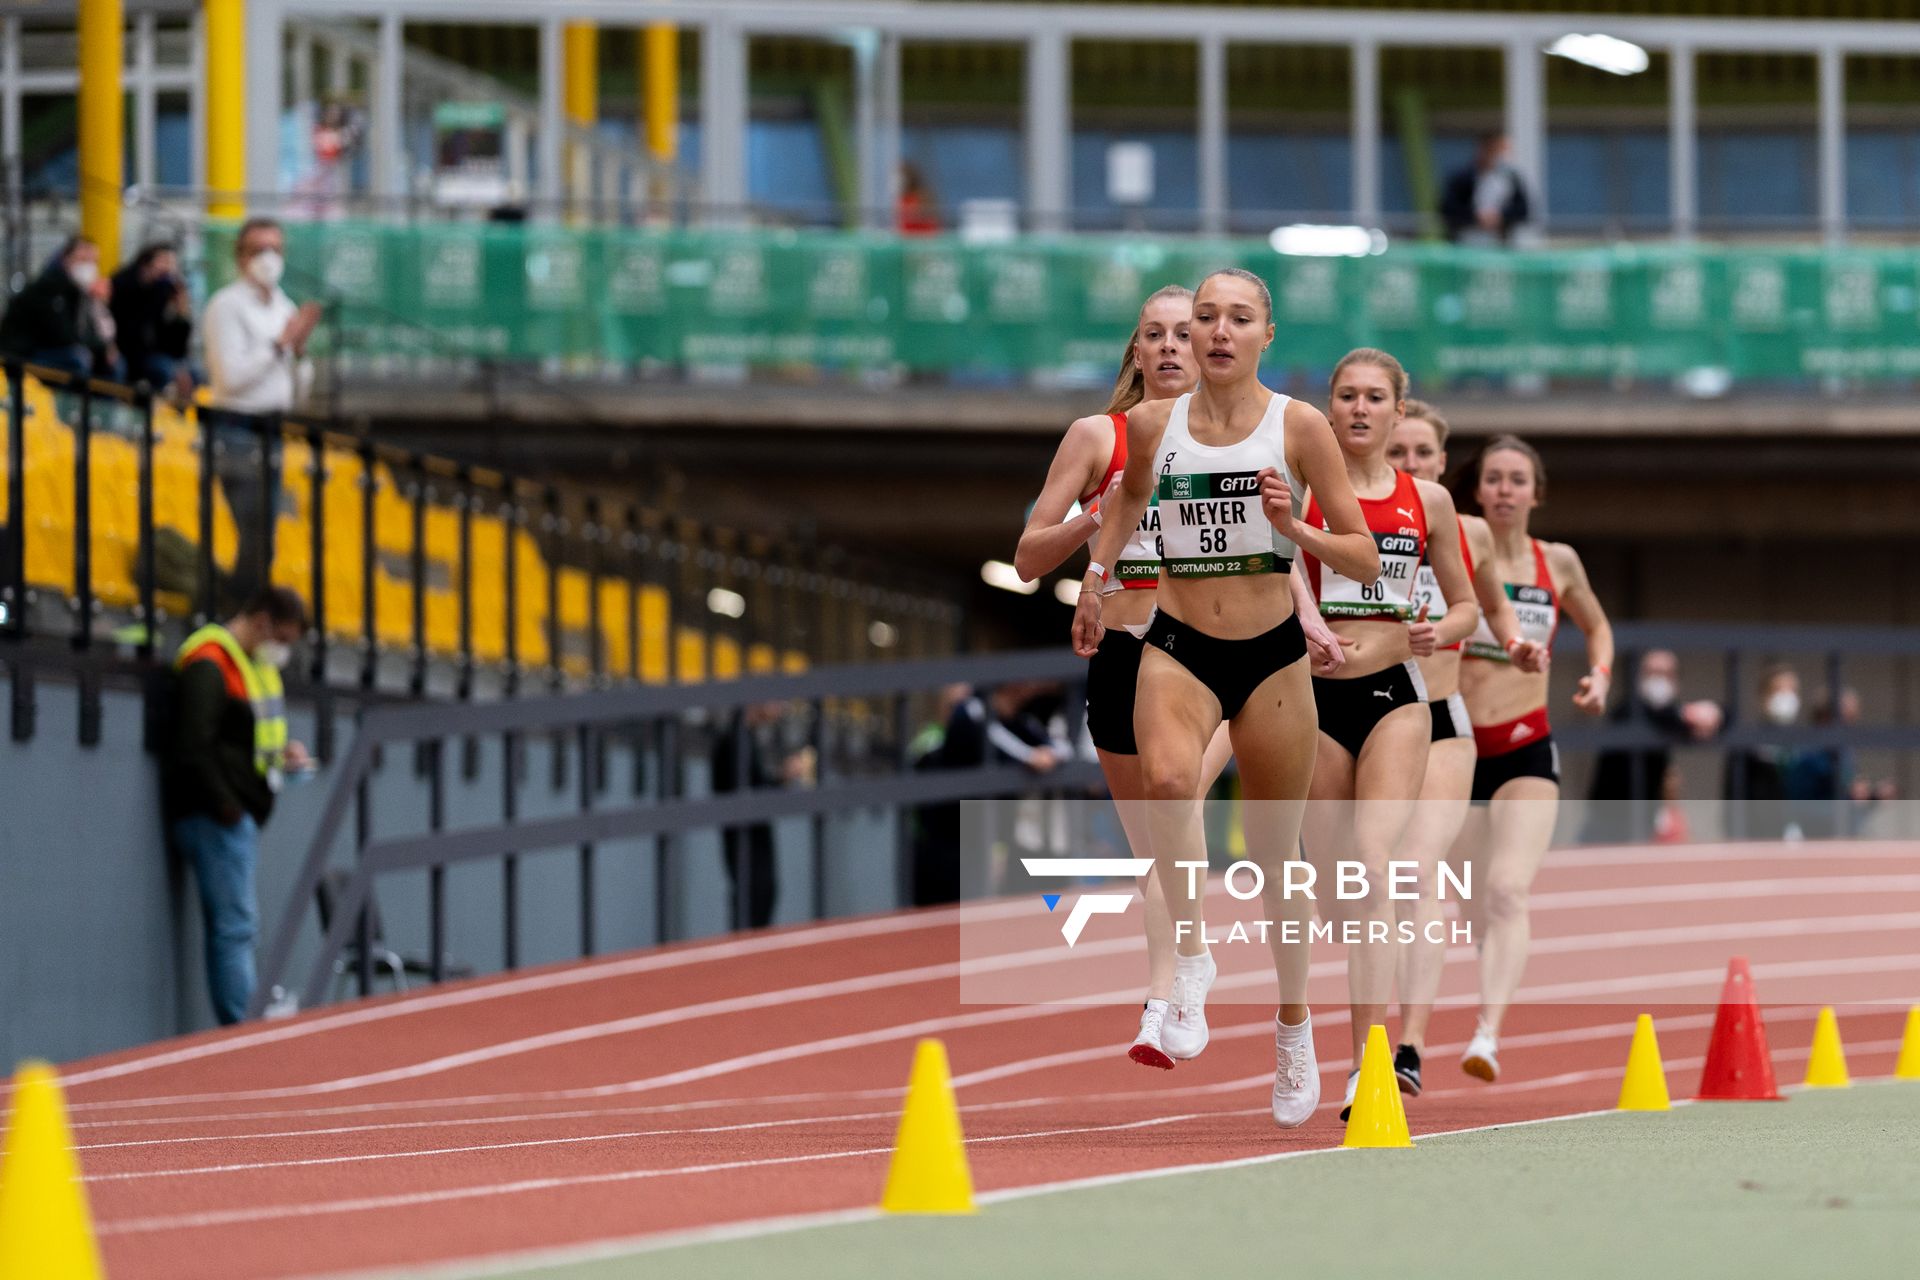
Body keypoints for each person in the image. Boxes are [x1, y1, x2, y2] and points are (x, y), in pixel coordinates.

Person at [1073, 267, 1380, 1126]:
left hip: (1272, 658)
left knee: (1281, 859)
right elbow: (1126, 504)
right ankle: (1195, 959)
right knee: (1169, 787)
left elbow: (1361, 555)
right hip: (1177, 645)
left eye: (1237, 318)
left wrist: (1296, 531)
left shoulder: (1302, 427)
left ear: (1266, 335)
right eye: (1203, 316)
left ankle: (1292, 1027)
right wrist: (1097, 582)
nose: (1214, 333)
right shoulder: (1149, 424)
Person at [1014, 284, 1342, 1068]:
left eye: (1180, 334)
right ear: (1135, 350)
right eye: (1152, 335)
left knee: (1181, 794)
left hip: (1206, 652)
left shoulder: (1240, 432)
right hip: (1125, 655)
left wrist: (1308, 615)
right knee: (1158, 850)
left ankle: (1168, 998)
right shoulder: (1100, 437)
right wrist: (1105, 519)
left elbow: (1264, 550)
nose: (1170, 348)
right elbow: (1027, 557)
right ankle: (1183, 976)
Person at [1295, 355, 1483, 1119]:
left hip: (1396, 699)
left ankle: (1366, 1063)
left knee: (1374, 872)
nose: (1361, 409)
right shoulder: (1302, 488)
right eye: (1347, 396)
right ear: (1330, 407)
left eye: (1376, 398)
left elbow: (1468, 605)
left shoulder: (1426, 500)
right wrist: (1300, 621)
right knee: (1341, 896)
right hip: (1312, 702)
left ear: (1399, 409)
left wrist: (1439, 629)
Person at [1382, 400, 1544, 1095]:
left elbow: (1494, 606)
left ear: (1444, 464)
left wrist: (1511, 642)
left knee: (1419, 875)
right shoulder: (1341, 515)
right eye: (1398, 454)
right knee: (1349, 891)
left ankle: (1409, 1045)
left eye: (1422, 454)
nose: (1411, 466)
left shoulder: (1463, 528)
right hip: (1361, 719)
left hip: (1442, 721)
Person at [1451, 435, 1614, 1082]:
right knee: (1472, 906)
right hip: (1459, 749)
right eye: (1494, 479)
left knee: (1505, 890)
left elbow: (1597, 625)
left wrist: (1599, 675)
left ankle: (1486, 1034)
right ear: (1479, 489)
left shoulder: (1559, 562)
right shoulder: (1455, 550)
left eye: (1517, 480)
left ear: (1536, 493)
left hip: (1526, 745)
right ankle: (1496, 974)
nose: (1505, 491)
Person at [160, 586, 311, 1025]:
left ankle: (246, 1015)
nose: (282, 650)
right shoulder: (211, 662)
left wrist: (284, 757)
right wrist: (228, 807)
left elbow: (244, 740)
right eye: (281, 638)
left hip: (234, 813)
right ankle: (244, 1025)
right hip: (215, 816)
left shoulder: (248, 665)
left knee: (239, 925)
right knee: (236, 927)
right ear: (261, 621)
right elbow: (194, 746)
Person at [202, 216, 324, 609]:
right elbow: (230, 378)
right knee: (253, 531)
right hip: (237, 429)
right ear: (240, 257)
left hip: (273, 428)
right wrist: (278, 346)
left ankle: (244, 610)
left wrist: (299, 351)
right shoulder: (226, 305)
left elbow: (298, 390)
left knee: (265, 537)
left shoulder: (283, 306)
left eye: (275, 249)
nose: (268, 258)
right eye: (259, 250)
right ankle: (236, 610)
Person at [1585, 649, 1722, 843]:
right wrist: (1690, 715)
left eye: (1666, 674)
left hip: (1645, 817)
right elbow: (1658, 717)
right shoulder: (1626, 710)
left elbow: (1722, 718)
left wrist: (1715, 714)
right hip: (1608, 817)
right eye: (1652, 673)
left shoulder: (1672, 714)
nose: (1659, 680)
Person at [711, 701, 816, 929]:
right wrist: (781, 778)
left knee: (760, 901)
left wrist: (781, 777)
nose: (782, 706)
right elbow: (744, 794)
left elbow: (754, 788)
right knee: (753, 904)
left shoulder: (744, 737)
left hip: (752, 839)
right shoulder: (734, 740)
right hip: (744, 840)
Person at [0, 235, 117, 382]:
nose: (89, 267)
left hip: (50, 349)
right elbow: (62, 336)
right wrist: (99, 348)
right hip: (24, 354)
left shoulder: (79, 291)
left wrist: (104, 347)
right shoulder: (49, 287)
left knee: (114, 364)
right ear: (66, 259)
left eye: (93, 262)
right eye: (83, 260)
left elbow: (95, 330)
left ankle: (107, 403)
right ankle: (75, 404)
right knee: (78, 358)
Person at [109, 242, 197, 399]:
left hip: (157, 352)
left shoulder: (164, 289)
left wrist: (181, 316)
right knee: (164, 370)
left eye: (172, 264)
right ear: (146, 263)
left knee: (195, 373)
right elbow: (130, 331)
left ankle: (181, 418)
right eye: (164, 262)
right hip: (130, 352)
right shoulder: (123, 284)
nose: (168, 268)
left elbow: (177, 346)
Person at [1440, 133, 1531, 246]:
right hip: (1465, 240)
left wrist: (1500, 216)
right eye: (1493, 150)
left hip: (1500, 241)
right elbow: (1447, 207)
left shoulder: (1510, 178)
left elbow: (1523, 209)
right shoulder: (1462, 177)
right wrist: (1475, 216)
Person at [896, 162, 941, 235]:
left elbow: (930, 222)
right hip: (905, 238)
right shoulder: (901, 199)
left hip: (921, 239)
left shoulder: (923, 197)